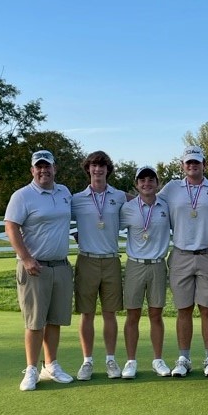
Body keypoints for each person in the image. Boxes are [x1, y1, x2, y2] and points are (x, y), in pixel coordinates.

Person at [158, 146, 208, 378]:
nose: (192, 166)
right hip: (180, 255)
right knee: (184, 309)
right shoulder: (171, 188)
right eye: (188, 163)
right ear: (183, 165)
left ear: (204, 165)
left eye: (196, 162)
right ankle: (184, 358)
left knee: (207, 309)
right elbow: (148, 201)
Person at [4, 150, 74, 391]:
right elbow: (11, 227)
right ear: (32, 170)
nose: (44, 170)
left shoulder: (64, 192)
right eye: (39, 167)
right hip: (35, 267)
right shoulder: (22, 196)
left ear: (55, 168)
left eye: (48, 166)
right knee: (35, 322)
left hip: (61, 266)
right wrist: (26, 258)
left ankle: (51, 365)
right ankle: (31, 369)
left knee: (55, 320)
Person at [71, 151, 127, 380]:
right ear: (88, 169)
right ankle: (87, 362)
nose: (98, 170)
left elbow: (145, 201)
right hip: (87, 260)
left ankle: (111, 360)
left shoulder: (120, 196)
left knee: (110, 314)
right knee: (87, 314)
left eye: (102, 166)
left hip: (112, 259)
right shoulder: (76, 198)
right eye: (94, 166)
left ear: (108, 169)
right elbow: (55, 217)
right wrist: (76, 232)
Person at [120, 165, 172, 378]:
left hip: (158, 264)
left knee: (156, 314)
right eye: (142, 180)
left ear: (157, 183)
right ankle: (131, 361)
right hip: (135, 264)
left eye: (151, 180)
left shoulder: (166, 207)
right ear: (136, 184)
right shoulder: (128, 208)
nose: (146, 183)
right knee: (132, 314)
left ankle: (157, 360)